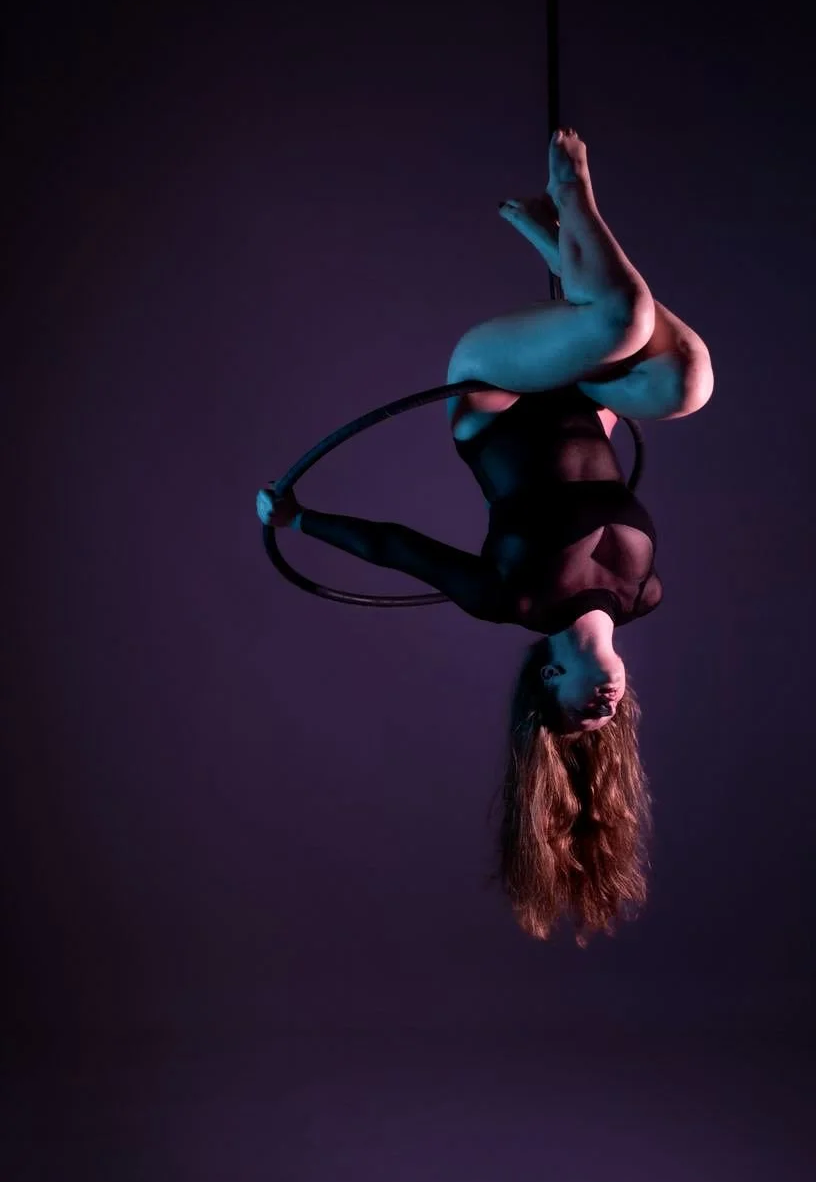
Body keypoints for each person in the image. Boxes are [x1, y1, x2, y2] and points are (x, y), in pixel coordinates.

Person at [257, 130, 713, 945]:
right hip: (579, 397)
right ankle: (559, 244)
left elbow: (399, 548)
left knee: (623, 318)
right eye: (602, 723)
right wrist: (600, 401)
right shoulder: (646, 594)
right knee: (687, 384)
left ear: (551, 682)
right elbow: (596, 459)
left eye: (575, 715)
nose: (599, 709)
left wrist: (297, 520)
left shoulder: (514, 599)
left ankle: (573, 211)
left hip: (493, 395)